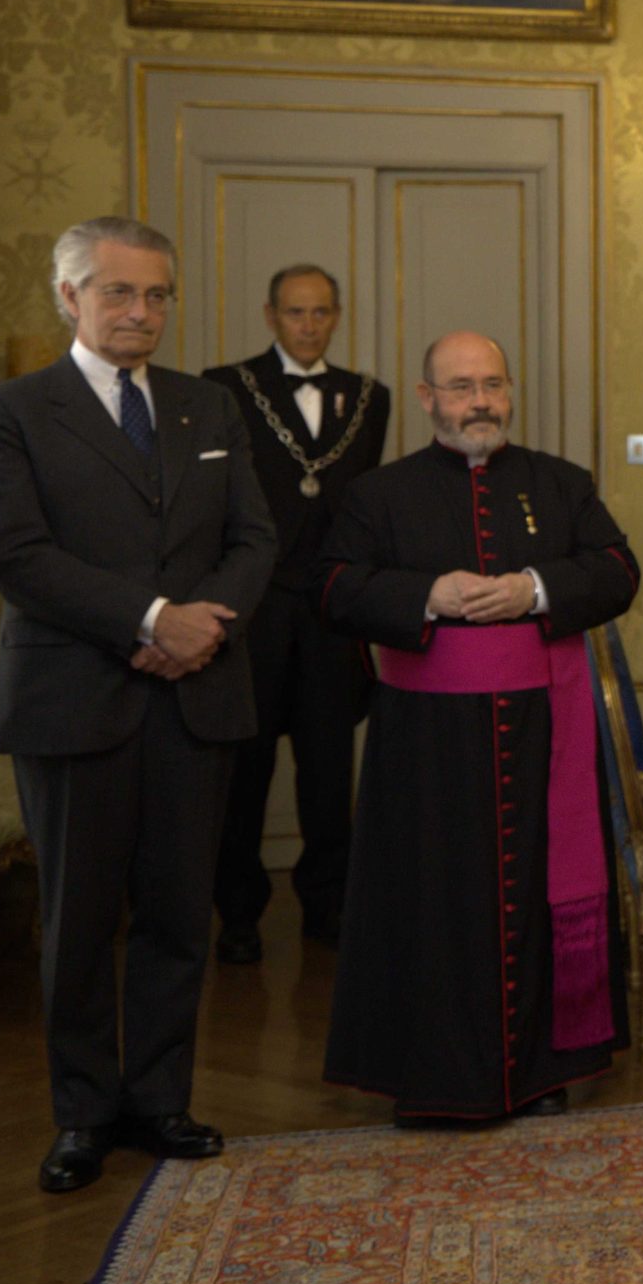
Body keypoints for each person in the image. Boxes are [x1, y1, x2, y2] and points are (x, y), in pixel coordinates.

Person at [0, 216, 277, 1194]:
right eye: (117, 292)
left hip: (196, 697)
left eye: (157, 295)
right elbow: (18, 556)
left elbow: (256, 538)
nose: (141, 312)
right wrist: (150, 618)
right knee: (79, 918)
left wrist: (204, 629)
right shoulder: (11, 410)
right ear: (69, 296)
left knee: (180, 915)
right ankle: (83, 1113)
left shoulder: (208, 406)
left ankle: (159, 1099)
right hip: (74, 699)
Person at [317, 330, 639, 1123]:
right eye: (460, 386)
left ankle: (540, 1074)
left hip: (543, 737)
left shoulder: (560, 482)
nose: (480, 401)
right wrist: (430, 592)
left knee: (533, 895)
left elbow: (619, 570)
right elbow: (331, 587)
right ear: (427, 398)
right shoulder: (378, 493)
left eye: (492, 383)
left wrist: (533, 588)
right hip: (423, 747)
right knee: (430, 903)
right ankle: (430, 1077)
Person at [202, 263, 392, 964]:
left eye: (320, 312)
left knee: (327, 767)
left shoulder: (371, 398)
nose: (308, 325)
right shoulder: (225, 387)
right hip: (251, 608)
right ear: (270, 314)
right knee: (244, 771)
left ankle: (328, 905)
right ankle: (241, 913)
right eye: (295, 312)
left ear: (337, 315)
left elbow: (359, 509)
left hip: (328, 612)